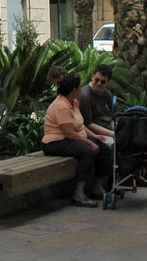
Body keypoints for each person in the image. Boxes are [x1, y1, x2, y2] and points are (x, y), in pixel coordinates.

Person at [41, 73, 111, 207]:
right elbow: (69, 133)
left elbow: (80, 125)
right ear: (74, 90)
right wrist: (90, 142)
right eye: (79, 87)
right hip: (55, 142)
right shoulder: (61, 106)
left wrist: (95, 137)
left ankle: (98, 187)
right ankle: (78, 193)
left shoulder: (73, 102)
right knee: (88, 152)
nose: (81, 89)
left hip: (71, 138)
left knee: (104, 149)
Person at [78, 64, 116, 141]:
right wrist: (113, 134)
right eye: (97, 80)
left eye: (103, 82)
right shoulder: (85, 96)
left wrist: (115, 130)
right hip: (94, 133)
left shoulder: (107, 94)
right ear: (92, 77)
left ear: (107, 83)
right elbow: (88, 124)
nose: (99, 83)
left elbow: (111, 118)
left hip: (108, 129)